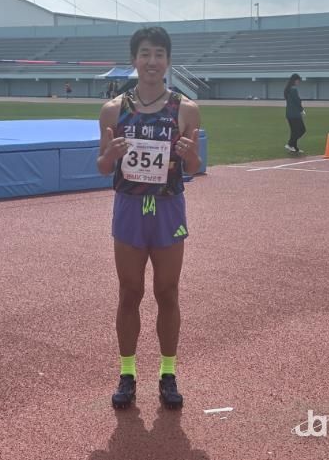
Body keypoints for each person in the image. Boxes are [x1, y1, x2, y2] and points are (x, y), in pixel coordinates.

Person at [97, 26, 201, 411]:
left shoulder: (186, 109)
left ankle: (168, 373)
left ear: (168, 61)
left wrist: (190, 155)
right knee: (129, 292)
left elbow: (194, 166)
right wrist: (111, 155)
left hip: (168, 208)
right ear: (134, 60)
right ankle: (127, 374)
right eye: (145, 53)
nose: (152, 61)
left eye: (159, 54)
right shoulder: (113, 109)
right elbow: (101, 165)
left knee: (167, 291)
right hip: (129, 208)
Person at [283, 73, 307, 154]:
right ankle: (290, 144)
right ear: (295, 80)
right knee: (302, 130)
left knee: (294, 131)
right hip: (294, 114)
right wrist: (301, 110)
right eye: (298, 81)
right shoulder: (293, 89)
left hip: (289, 114)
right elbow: (297, 101)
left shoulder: (288, 89)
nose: (298, 82)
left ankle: (294, 148)